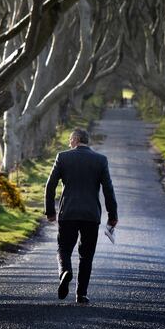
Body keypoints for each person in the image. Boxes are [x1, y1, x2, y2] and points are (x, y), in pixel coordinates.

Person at [45, 128, 118, 304]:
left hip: (68, 212)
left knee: (64, 248)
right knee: (87, 255)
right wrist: (112, 215)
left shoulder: (63, 157)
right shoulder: (100, 160)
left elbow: (50, 185)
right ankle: (81, 294)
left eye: (70, 140)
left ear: (76, 139)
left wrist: (50, 211)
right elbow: (108, 189)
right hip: (91, 215)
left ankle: (65, 271)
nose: (69, 143)